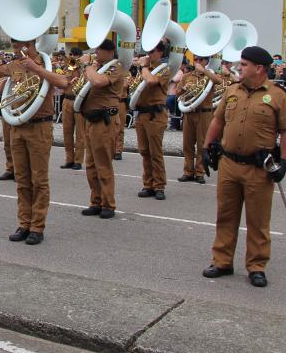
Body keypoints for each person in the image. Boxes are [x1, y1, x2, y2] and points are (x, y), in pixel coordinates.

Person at [202, 45, 286, 288]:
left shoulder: (277, 95)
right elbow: (218, 120)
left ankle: (256, 266)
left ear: (259, 68)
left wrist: (284, 162)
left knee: (257, 221)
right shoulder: (232, 90)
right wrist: (206, 146)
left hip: (258, 168)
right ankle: (222, 261)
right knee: (225, 216)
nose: (239, 67)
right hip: (229, 164)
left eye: (244, 64)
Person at [0, 38, 69, 245]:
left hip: (39, 126)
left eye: (18, 46)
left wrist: (36, 69)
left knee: (39, 180)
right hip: (17, 126)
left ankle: (37, 227)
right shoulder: (14, 64)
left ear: (30, 45)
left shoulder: (45, 63)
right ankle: (23, 223)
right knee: (22, 179)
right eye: (13, 47)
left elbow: (63, 83)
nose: (15, 51)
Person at [78, 39, 125, 219]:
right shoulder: (98, 67)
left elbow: (97, 82)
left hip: (105, 120)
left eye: (99, 50)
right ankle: (95, 201)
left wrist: (88, 65)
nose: (96, 52)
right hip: (90, 119)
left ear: (110, 51)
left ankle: (108, 204)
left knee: (103, 163)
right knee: (90, 164)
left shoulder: (116, 67)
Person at [134, 41, 171, 201]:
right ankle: (148, 184)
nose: (149, 54)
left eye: (153, 51)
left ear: (161, 53)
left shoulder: (164, 69)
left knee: (155, 152)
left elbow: (151, 81)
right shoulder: (146, 69)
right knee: (144, 151)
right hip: (142, 114)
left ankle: (159, 185)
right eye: (148, 50)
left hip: (155, 115)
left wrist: (143, 67)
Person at [177, 56, 220, 183]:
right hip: (189, 113)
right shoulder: (187, 76)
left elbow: (218, 81)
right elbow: (177, 92)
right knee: (187, 144)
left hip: (204, 113)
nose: (198, 62)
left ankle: (199, 172)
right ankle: (188, 171)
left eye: (201, 60)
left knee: (202, 144)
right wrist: (184, 89)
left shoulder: (210, 76)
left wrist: (205, 71)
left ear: (206, 62)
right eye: (196, 59)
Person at [60, 47, 84, 170]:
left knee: (80, 133)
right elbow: (63, 78)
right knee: (67, 131)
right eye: (71, 55)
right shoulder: (70, 66)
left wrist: (79, 77)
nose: (72, 57)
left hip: (79, 100)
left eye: (74, 55)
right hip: (67, 99)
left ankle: (78, 160)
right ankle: (69, 159)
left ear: (79, 56)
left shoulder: (85, 67)